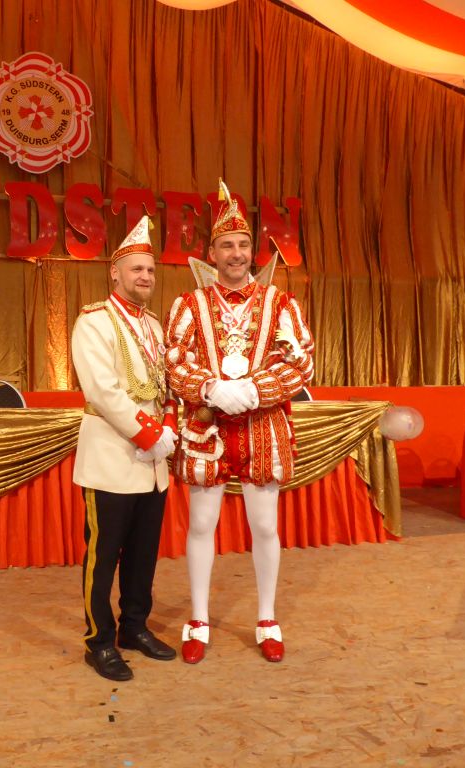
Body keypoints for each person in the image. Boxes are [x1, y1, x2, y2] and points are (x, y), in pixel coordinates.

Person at [164, 181, 314, 664]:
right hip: (206, 427)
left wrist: (254, 390)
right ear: (211, 253)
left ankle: (267, 618)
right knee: (201, 523)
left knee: (265, 526)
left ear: (253, 251)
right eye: (226, 245)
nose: (235, 253)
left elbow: (301, 360)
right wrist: (210, 388)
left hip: (263, 426)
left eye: (243, 245)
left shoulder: (281, 303)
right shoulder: (189, 305)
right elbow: (173, 360)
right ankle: (199, 619)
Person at [71, 215, 179, 681]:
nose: (145, 277)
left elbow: (166, 383)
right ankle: (99, 640)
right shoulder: (94, 321)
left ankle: (134, 627)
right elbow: (102, 391)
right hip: (113, 458)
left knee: (142, 555)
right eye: (137, 269)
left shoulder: (154, 325)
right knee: (103, 558)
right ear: (115, 273)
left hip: (153, 464)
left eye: (150, 270)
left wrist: (169, 425)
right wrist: (150, 435)